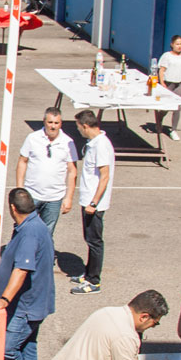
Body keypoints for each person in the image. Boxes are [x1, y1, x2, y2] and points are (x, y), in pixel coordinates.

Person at [0, 189, 57, 360]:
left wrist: (4, 299)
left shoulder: (30, 232)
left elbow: (22, 269)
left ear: (13, 208)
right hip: (34, 304)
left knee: (8, 349)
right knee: (28, 347)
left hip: (26, 306)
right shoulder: (33, 226)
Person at [16, 108, 79, 236]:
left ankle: (42, 256)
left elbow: (72, 171)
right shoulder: (32, 138)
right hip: (32, 194)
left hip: (54, 198)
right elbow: (22, 161)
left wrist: (69, 198)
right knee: (23, 229)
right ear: (44, 121)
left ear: (61, 123)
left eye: (56, 123)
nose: (53, 126)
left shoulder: (68, 142)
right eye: (50, 122)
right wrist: (20, 189)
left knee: (46, 234)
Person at [70, 110, 113, 294]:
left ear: (85, 126)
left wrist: (94, 203)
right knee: (89, 239)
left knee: (95, 242)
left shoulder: (101, 145)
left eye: (79, 127)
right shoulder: (93, 143)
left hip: (93, 204)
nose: (78, 130)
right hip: (88, 200)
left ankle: (94, 281)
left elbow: (104, 176)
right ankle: (88, 273)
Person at [156, 35, 181, 141]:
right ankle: (159, 121)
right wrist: (162, 82)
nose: (179, 46)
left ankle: (173, 130)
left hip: (180, 84)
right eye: (177, 44)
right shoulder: (167, 56)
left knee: (177, 108)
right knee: (167, 106)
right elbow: (162, 70)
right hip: (169, 84)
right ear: (172, 44)